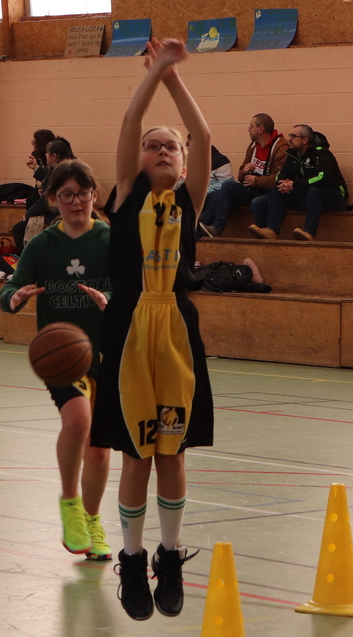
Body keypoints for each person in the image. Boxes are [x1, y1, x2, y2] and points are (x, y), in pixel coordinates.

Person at [91, 38, 213, 621]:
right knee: (136, 455)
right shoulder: (125, 194)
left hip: (176, 328)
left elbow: (203, 136)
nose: (162, 149)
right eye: (152, 145)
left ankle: (170, 553)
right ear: (137, 159)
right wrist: (154, 73)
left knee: (173, 453)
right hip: (128, 325)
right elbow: (129, 121)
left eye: (171, 147)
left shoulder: (190, 200)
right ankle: (134, 558)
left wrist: (173, 79)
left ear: (184, 165)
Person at [0, 159, 115, 561]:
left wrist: (108, 300)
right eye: (66, 195)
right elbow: (10, 286)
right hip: (62, 356)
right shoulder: (43, 245)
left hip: (107, 353)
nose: (76, 201)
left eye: (83, 193)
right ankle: (70, 502)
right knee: (78, 420)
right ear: (52, 199)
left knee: (99, 450)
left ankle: (92, 521)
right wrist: (12, 297)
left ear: (94, 195)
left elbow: (129, 290)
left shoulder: (109, 240)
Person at [249, 125, 347, 241]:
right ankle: (271, 230)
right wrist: (283, 184)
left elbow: (321, 178)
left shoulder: (322, 154)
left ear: (305, 140)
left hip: (333, 197)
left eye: (293, 136)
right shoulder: (293, 155)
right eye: (290, 135)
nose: (289, 139)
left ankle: (309, 232)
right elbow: (280, 176)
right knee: (272, 193)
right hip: (307, 197)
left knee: (314, 191)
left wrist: (295, 185)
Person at [198, 113, 285, 237]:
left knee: (257, 202)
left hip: (269, 192)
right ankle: (216, 228)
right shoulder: (253, 146)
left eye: (251, 126)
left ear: (260, 129)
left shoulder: (280, 147)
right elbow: (240, 176)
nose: (248, 130)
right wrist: (245, 171)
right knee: (227, 186)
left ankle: (265, 233)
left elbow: (278, 178)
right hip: (252, 189)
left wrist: (256, 181)